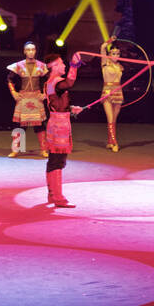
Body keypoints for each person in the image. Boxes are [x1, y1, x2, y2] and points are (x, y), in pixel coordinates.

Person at [42, 52, 86, 207]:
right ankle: (57, 196)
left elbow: (57, 103)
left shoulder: (52, 82)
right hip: (59, 126)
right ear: (53, 66)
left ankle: (53, 194)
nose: (64, 65)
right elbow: (69, 82)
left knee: (55, 160)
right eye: (61, 63)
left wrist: (71, 109)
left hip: (58, 121)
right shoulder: (56, 81)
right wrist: (74, 66)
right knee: (57, 161)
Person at [7, 42, 49, 158]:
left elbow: (48, 80)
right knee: (19, 125)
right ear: (24, 51)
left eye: (33, 49)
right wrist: (14, 93)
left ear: (35, 51)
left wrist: (45, 93)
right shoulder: (18, 65)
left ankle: (43, 149)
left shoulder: (41, 66)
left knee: (39, 125)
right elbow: (10, 79)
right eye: (28, 49)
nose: (31, 52)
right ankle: (16, 149)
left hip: (36, 97)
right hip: (23, 97)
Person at [100, 40, 125, 152]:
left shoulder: (120, 66)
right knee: (110, 118)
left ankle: (110, 142)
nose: (116, 56)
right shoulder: (105, 63)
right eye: (113, 53)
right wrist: (110, 40)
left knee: (114, 120)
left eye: (118, 54)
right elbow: (103, 47)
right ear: (109, 55)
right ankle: (115, 142)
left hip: (118, 93)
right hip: (107, 92)